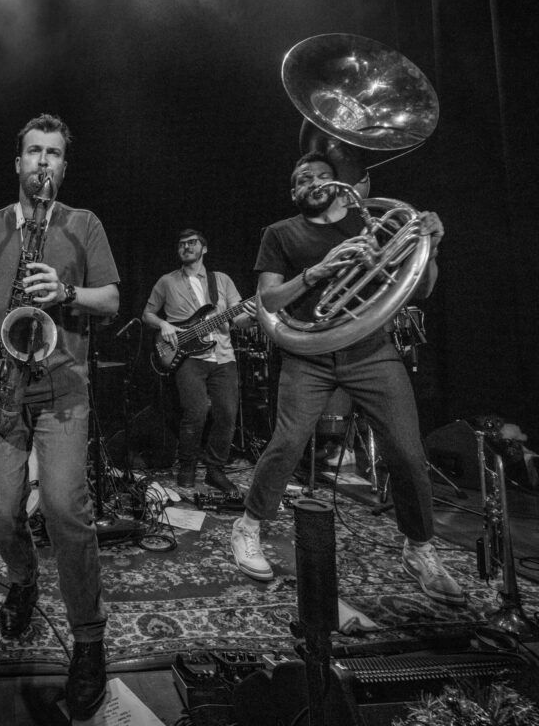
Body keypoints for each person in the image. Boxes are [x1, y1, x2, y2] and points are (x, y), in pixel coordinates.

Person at [230, 151, 465, 607]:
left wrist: (431, 247)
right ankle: (248, 526)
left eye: (322, 175)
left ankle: (419, 548)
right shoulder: (279, 233)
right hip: (308, 353)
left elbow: (420, 288)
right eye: (303, 179)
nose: (314, 182)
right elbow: (269, 300)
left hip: (371, 350)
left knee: (408, 451)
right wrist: (317, 272)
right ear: (294, 192)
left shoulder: (369, 225)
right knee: (287, 443)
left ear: (339, 185)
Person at [0, 114, 119, 721]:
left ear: (63, 167)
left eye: (53, 153)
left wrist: (67, 294)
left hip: (64, 389)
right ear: (17, 162)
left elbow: (111, 299)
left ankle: (88, 638)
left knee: (66, 509)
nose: (43, 161)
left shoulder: (84, 224)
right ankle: (23, 580)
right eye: (33, 151)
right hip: (4, 389)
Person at [143, 229, 256, 493]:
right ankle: (187, 467)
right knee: (196, 413)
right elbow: (147, 314)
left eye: (192, 243)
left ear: (204, 248)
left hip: (224, 357)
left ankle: (215, 470)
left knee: (227, 415)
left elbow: (238, 319)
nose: (186, 247)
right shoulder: (167, 282)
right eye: (182, 244)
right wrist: (163, 325)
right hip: (187, 357)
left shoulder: (222, 280)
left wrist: (252, 316)